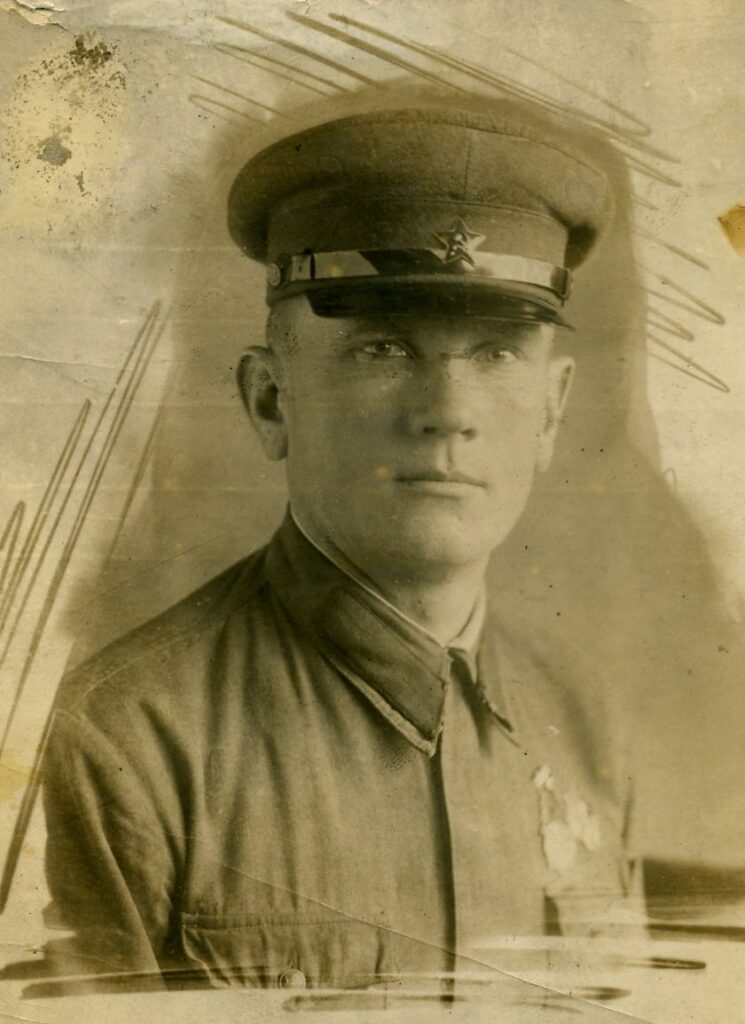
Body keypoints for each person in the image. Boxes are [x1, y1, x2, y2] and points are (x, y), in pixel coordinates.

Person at [40, 91, 641, 991]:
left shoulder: (584, 721)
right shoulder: (124, 742)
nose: (448, 412)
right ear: (269, 401)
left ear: (551, 411)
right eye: (382, 349)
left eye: (496, 354)